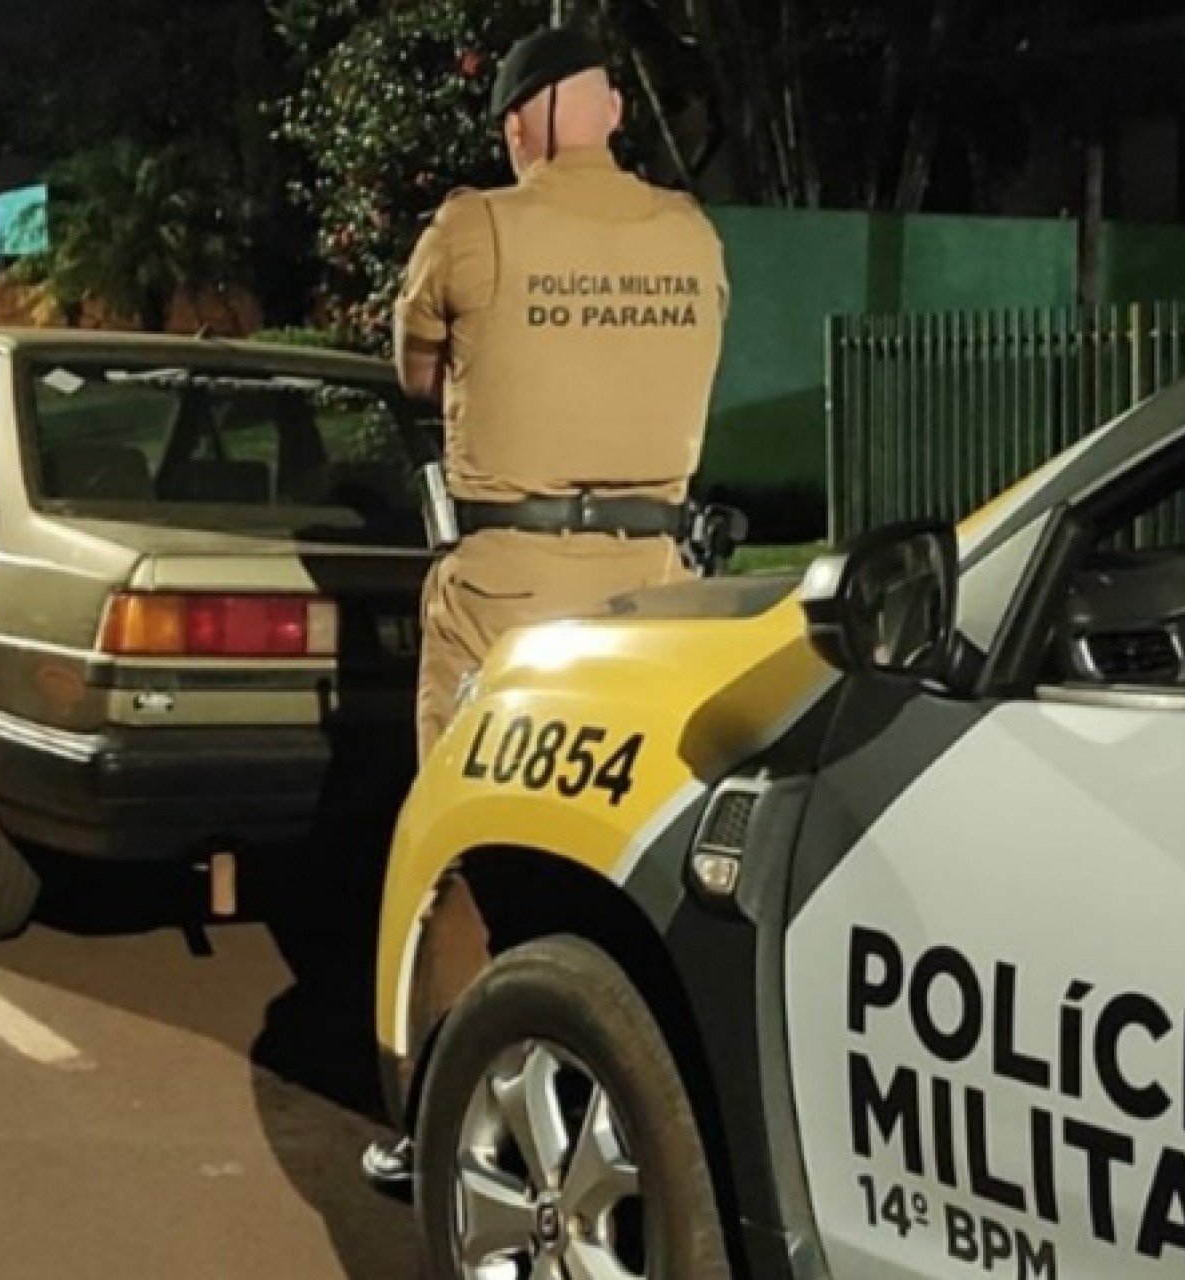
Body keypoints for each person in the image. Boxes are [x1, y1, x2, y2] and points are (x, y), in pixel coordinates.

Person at [361, 22, 731, 1192]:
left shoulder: (475, 227)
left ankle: (436, 1106)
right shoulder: (693, 234)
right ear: (614, 113)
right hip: (657, 603)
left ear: (529, 120)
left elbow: (412, 370)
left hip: (505, 597)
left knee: (455, 847)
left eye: (510, 121)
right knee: (622, 852)